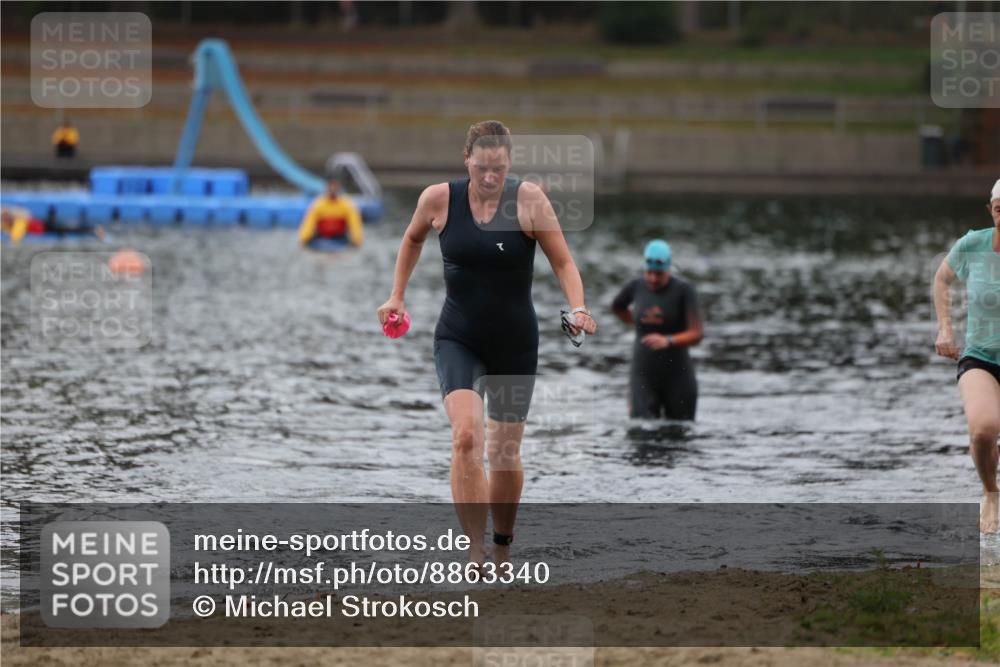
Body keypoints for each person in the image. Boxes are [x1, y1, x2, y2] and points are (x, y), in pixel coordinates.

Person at [376, 120, 597, 566]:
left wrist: (578, 308)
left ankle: (501, 544)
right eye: (482, 167)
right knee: (466, 437)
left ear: (509, 164)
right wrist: (396, 294)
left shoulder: (530, 201)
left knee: (504, 452)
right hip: (458, 337)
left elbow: (564, 262)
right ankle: (474, 551)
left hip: (515, 343)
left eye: (499, 168)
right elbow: (412, 237)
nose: (490, 177)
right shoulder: (438, 199)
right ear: (467, 160)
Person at [934, 178, 1000, 533]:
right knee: (983, 432)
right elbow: (941, 279)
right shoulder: (973, 244)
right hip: (981, 357)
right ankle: (992, 493)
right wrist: (945, 328)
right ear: (991, 210)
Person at [612, 239, 703, 420]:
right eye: (649, 273)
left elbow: (697, 334)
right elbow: (618, 307)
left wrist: (668, 340)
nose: (653, 279)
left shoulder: (683, 290)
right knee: (641, 431)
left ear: (668, 269)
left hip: (678, 374)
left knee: (679, 433)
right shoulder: (635, 286)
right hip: (643, 373)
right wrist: (637, 325)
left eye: (659, 274)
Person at [298, 168, 363, 249]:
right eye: (331, 185)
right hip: (321, 240)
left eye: (335, 185)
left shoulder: (348, 205)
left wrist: (357, 240)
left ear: (339, 186)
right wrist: (304, 239)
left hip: (341, 240)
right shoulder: (318, 204)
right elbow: (308, 224)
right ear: (327, 186)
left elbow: (355, 226)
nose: (333, 188)